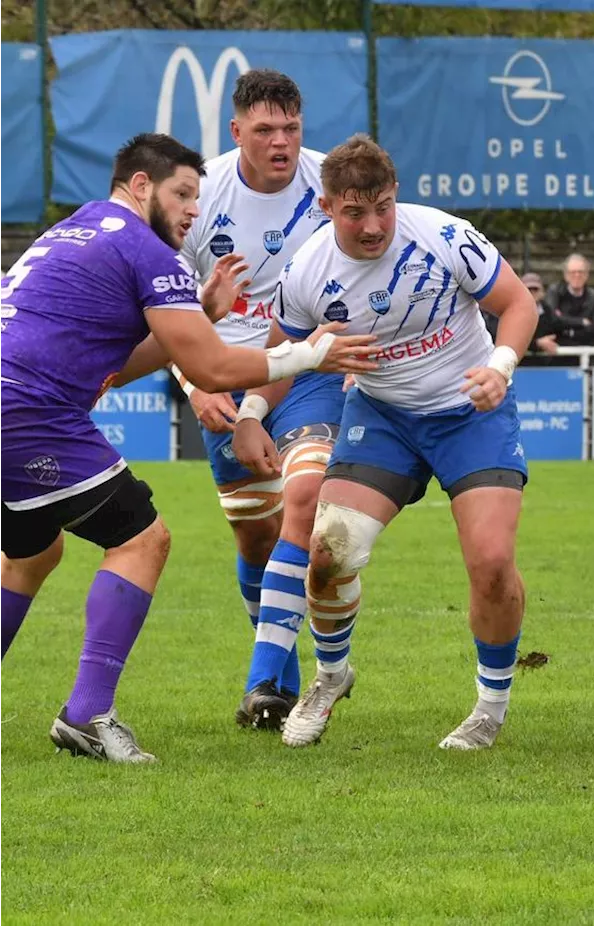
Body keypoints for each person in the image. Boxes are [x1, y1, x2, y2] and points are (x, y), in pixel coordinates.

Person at [0, 133, 374, 762]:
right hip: (29, 411)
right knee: (144, 539)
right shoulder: (146, 250)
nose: (193, 211)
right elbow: (215, 366)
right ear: (140, 186)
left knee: (32, 556)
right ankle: (88, 714)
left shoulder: (78, 227)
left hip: (15, 402)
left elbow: (118, 365)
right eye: (181, 194)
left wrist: (197, 306)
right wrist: (313, 351)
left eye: (198, 198)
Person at [232, 135, 538, 750]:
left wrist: (500, 367)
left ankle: (490, 705)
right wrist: (250, 414)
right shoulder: (307, 271)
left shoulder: (444, 237)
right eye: (354, 212)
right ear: (326, 206)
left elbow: (518, 303)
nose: (373, 226)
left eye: (384, 207)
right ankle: (331, 675)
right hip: (383, 417)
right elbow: (282, 353)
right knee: (329, 552)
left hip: (470, 415)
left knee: (492, 563)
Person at [174, 69, 343, 730]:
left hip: (308, 370)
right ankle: (281, 672)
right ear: (236, 131)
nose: (281, 142)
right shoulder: (199, 194)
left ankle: (264, 682)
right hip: (221, 369)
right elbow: (165, 304)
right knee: (256, 536)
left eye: (291, 128)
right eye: (266, 129)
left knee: (304, 499)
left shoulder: (331, 185)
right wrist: (193, 385)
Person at [544, 253, 594, 347]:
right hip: (559, 354)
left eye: (581, 272)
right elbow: (551, 321)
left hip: (587, 352)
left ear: (587, 274)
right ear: (565, 275)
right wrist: (582, 322)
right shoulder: (554, 292)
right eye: (573, 272)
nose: (577, 275)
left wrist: (567, 331)